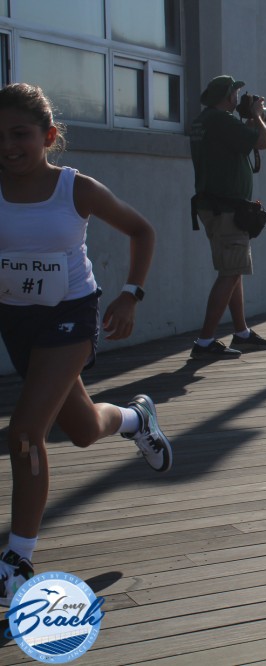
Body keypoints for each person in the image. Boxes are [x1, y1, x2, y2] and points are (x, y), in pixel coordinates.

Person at [0, 83, 172, 605]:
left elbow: (142, 231)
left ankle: (17, 561)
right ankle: (136, 419)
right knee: (80, 429)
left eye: (19, 134)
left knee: (25, 433)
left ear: (48, 136)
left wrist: (130, 294)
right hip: (17, 321)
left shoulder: (75, 188)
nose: (8, 146)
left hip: (70, 318)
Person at [189, 75, 266, 360]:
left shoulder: (206, 121)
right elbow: (263, 141)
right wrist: (258, 116)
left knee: (233, 269)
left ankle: (242, 332)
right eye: (236, 93)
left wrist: (249, 120)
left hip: (216, 206)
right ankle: (204, 341)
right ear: (227, 96)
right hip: (225, 210)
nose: (238, 98)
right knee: (229, 272)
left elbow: (235, 142)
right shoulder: (220, 121)